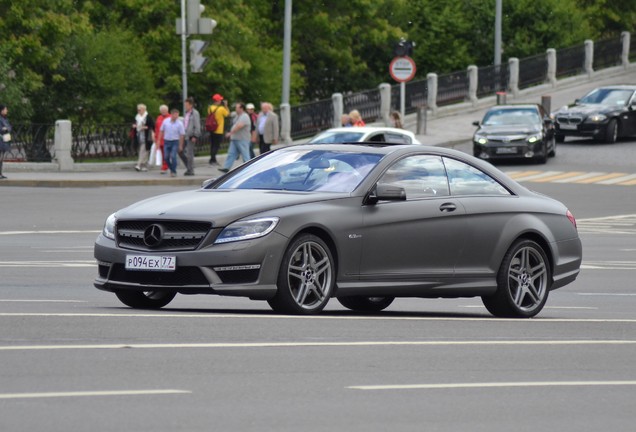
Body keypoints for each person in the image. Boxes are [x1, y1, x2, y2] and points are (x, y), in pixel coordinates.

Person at [219, 102, 252, 173]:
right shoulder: (237, 116)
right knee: (231, 154)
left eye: (237, 107)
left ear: (241, 108)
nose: (235, 109)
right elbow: (228, 114)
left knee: (245, 155)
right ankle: (226, 168)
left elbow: (239, 126)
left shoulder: (244, 116)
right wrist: (226, 106)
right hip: (235, 139)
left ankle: (249, 169)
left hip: (242, 139)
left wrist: (230, 133)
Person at [158, 108, 185, 177]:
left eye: (177, 115)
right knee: (166, 157)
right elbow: (161, 131)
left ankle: (173, 171)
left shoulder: (179, 123)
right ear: (172, 115)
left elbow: (182, 135)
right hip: (167, 141)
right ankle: (171, 168)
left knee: (173, 156)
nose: (176, 117)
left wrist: (180, 145)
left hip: (175, 141)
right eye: (175, 115)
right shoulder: (166, 121)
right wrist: (158, 141)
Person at [179, 97, 201, 176]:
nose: (185, 106)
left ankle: (190, 170)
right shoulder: (186, 113)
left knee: (189, 153)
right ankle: (189, 166)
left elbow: (197, 125)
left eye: (187, 105)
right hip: (185, 135)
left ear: (191, 105)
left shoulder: (195, 113)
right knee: (180, 151)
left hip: (191, 136)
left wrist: (195, 135)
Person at [207, 93, 229, 166]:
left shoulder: (210, 108)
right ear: (217, 101)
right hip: (219, 129)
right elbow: (227, 114)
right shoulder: (221, 109)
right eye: (220, 100)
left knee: (212, 145)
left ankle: (212, 159)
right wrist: (226, 105)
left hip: (211, 129)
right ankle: (213, 160)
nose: (221, 101)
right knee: (216, 146)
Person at [133, 104, 155, 172]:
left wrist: (145, 127)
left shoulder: (148, 116)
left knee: (144, 149)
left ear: (144, 109)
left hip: (146, 135)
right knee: (143, 150)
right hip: (139, 135)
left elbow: (152, 126)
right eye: (138, 109)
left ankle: (139, 164)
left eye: (139, 109)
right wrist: (134, 125)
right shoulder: (137, 116)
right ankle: (144, 165)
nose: (138, 110)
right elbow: (134, 123)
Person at [154, 105, 170, 174]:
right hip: (159, 138)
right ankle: (164, 165)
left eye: (164, 110)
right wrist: (155, 137)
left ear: (167, 110)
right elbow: (156, 128)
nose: (163, 111)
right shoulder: (159, 117)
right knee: (162, 154)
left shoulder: (170, 117)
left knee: (166, 153)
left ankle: (165, 166)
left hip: (167, 138)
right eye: (162, 110)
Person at [0, 104, 12, 179]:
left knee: (1, 158)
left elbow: (9, 128)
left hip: (4, 140)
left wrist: (6, 129)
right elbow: (2, 129)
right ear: (1, 110)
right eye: (5, 109)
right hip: (0, 140)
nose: (6, 111)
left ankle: (0, 173)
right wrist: (3, 129)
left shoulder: (5, 119)